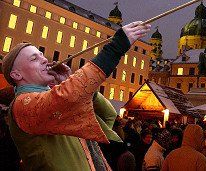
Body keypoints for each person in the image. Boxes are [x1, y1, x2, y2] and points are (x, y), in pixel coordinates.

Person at [2, 21, 151, 170]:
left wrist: (76, 86)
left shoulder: (55, 99)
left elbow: (108, 116)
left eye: (41, 55)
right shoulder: (22, 104)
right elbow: (67, 97)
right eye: (34, 58)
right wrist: (115, 47)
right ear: (16, 74)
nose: (45, 60)